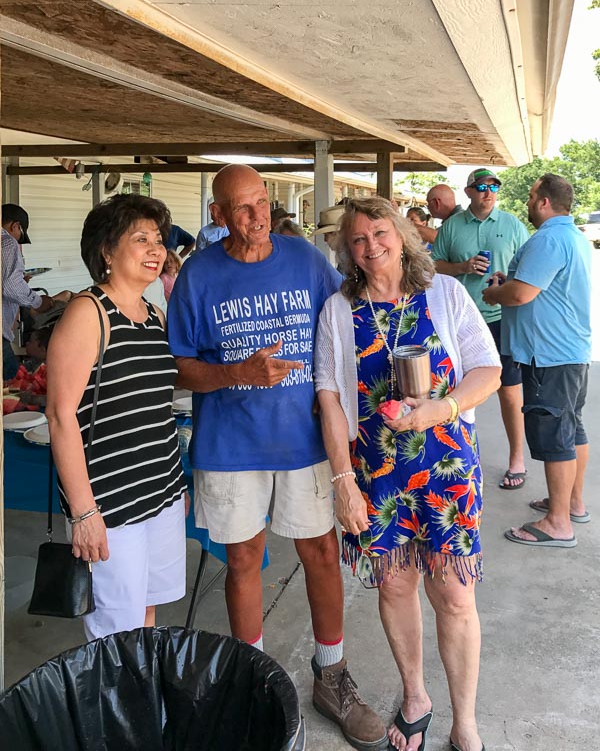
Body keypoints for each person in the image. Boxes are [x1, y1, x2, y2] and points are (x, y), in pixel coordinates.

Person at [168, 165, 388, 751]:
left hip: (305, 441)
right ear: (217, 215)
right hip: (231, 445)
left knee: (319, 551)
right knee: (243, 563)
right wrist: (235, 372)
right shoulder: (197, 275)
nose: (255, 216)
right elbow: (180, 363)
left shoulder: (306, 260)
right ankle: (256, 681)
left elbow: (342, 331)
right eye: (240, 208)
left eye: (261, 203)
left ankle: (332, 673)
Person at [315, 197, 500, 751]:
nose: (372, 246)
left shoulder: (444, 294)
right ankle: (415, 695)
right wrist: (343, 481)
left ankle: (464, 720)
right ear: (347, 251)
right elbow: (330, 400)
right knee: (395, 585)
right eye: (358, 240)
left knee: (455, 595)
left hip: (447, 471)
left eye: (380, 233)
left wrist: (437, 409)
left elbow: (487, 369)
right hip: (379, 477)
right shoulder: (338, 312)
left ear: (401, 233)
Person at [46, 194, 187, 641]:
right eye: (140, 238)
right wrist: (84, 512)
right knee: (114, 632)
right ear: (107, 251)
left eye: (159, 240)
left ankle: (144, 707)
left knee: (145, 614)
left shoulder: (154, 317)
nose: (155, 249)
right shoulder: (88, 313)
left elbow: (154, 406)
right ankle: (116, 711)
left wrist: (177, 486)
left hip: (161, 492)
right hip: (111, 506)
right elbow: (60, 416)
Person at [483, 174, 591, 546]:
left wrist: (496, 293)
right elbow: (536, 287)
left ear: (544, 202)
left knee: (554, 435)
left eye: (531, 196)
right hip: (567, 351)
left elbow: (520, 296)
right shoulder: (572, 235)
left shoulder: (547, 239)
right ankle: (571, 502)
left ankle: (558, 523)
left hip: (548, 355)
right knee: (570, 428)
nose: (528, 202)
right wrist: (508, 280)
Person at [432, 168, 530, 491]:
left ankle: (517, 459)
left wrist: (508, 281)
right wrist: (462, 267)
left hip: (503, 319)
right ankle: (451, 455)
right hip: (461, 321)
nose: (489, 192)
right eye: (482, 187)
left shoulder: (512, 225)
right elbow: (432, 266)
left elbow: (529, 271)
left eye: (494, 187)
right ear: (469, 191)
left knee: (509, 390)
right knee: (454, 389)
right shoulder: (451, 227)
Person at [2, 204, 64, 381]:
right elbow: (9, 286)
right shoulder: (7, 242)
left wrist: (20, 283)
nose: (18, 241)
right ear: (15, 226)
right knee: (12, 382)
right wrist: (38, 302)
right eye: (20, 235)